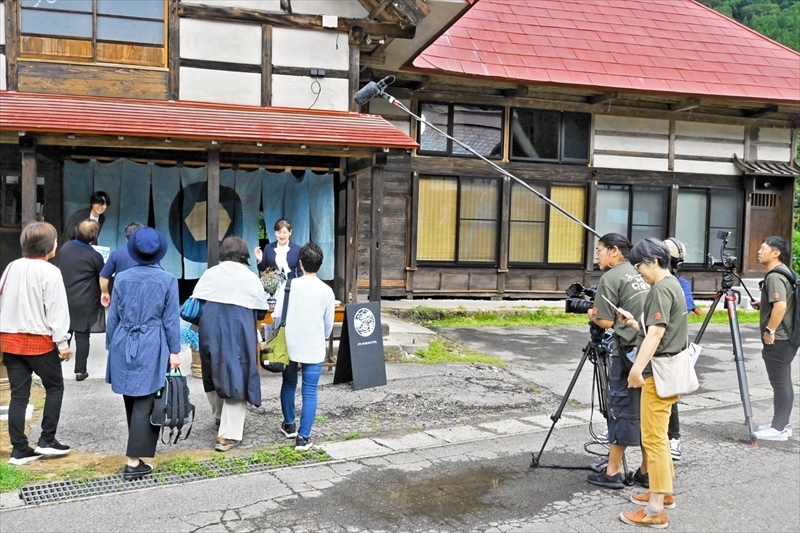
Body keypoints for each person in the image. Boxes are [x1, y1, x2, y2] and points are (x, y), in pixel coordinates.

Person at [617, 238, 688, 528]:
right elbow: (659, 329)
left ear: (654, 262)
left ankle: (655, 510)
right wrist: (636, 324)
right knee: (659, 436)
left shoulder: (660, 289)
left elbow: (657, 336)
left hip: (658, 373)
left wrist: (636, 368)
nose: (638, 272)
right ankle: (663, 493)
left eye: (639, 266)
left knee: (654, 439)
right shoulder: (674, 286)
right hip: (672, 370)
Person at [105, 227, 181, 481]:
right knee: (146, 398)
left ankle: (135, 455)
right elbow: (171, 320)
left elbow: (113, 316)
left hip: (123, 339)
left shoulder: (122, 278)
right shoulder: (168, 280)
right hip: (151, 340)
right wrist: (174, 350)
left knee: (132, 396)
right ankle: (133, 461)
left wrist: (110, 346)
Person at [0, 222, 72, 465]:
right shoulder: (50, 271)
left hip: (9, 339)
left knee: (18, 396)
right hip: (39, 341)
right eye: (55, 240)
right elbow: (57, 310)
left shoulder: (11, 267)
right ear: (48, 246)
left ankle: (19, 449)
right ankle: (47, 440)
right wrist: (62, 342)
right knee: (55, 387)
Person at [192, 237, 269, 452]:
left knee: (212, 370)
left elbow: (197, 300)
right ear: (244, 255)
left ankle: (219, 416)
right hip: (239, 332)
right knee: (238, 375)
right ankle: (227, 436)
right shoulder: (250, 277)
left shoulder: (211, 273)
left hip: (210, 331)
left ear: (223, 253)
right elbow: (261, 310)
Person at [586, 233, 650, 490]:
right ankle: (646, 471)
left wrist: (592, 315)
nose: (597, 255)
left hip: (628, 351)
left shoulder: (611, 277)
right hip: (651, 349)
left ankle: (612, 472)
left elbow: (607, 321)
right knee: (648, 411)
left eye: (600, 250)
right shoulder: (641, 274)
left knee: (620, 407)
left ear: (614, 251)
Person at [274, 242, 334, 450]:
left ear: (300, 263)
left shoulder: (288, 286)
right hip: (314, 345)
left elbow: (277, 315)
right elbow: (328, 325)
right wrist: (322, 338)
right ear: (320, 264)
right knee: (310, 391)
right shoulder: (327, 291)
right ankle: (304, 437)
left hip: (290, 343)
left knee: (288, 383)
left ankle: (289, 425)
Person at [751, 236, 797, 441]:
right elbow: (782, 302)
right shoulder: (786, 271)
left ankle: (778, 428)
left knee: (780, 383)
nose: (759, 252)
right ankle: (782, 424)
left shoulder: (774, 276)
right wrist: (763, 303)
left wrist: (769, 330)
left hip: (778, 338)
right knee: (783, 381)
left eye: (763, 248)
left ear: (776, 253)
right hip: (788, 336)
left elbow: (781, 306)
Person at [51, 220, 105, 381]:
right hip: (85, 300)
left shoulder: (66, 247)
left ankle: (54, 364)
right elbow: (101, 276)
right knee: (82, 337)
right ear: (94, 237)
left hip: (64, 297)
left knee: (64, 332)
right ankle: (80, 371)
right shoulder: (95, 255)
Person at [99, 222, 144, 307]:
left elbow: (104, 277)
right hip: (144, 297)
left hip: (121, 298)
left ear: (126, 238)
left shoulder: (116, 254)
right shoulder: (151, 255)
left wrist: (105, 293)